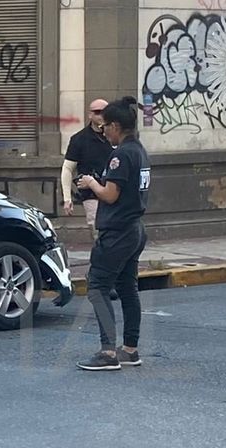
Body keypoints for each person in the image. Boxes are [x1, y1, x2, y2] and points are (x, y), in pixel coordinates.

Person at [76, 96, 151, 372]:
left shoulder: (120, 154)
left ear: (117, 126)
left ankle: (108, 351)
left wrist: (91, 182)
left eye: (106, 125)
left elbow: (110, 194)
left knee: (97, 287)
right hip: (134, 229)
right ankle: (130, 349)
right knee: (128, 288)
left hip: (117, 231)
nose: (103, 129)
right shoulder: (139, 150)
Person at [62, 99, 113, 236]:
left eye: (105, 112)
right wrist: (67, 198)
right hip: (91, 193)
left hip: (114, 189)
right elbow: (67, 168)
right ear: (90, 115)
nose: (101, 115)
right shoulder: (79, 139)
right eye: (97, 112)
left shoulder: (114, 136)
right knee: (98, 229)